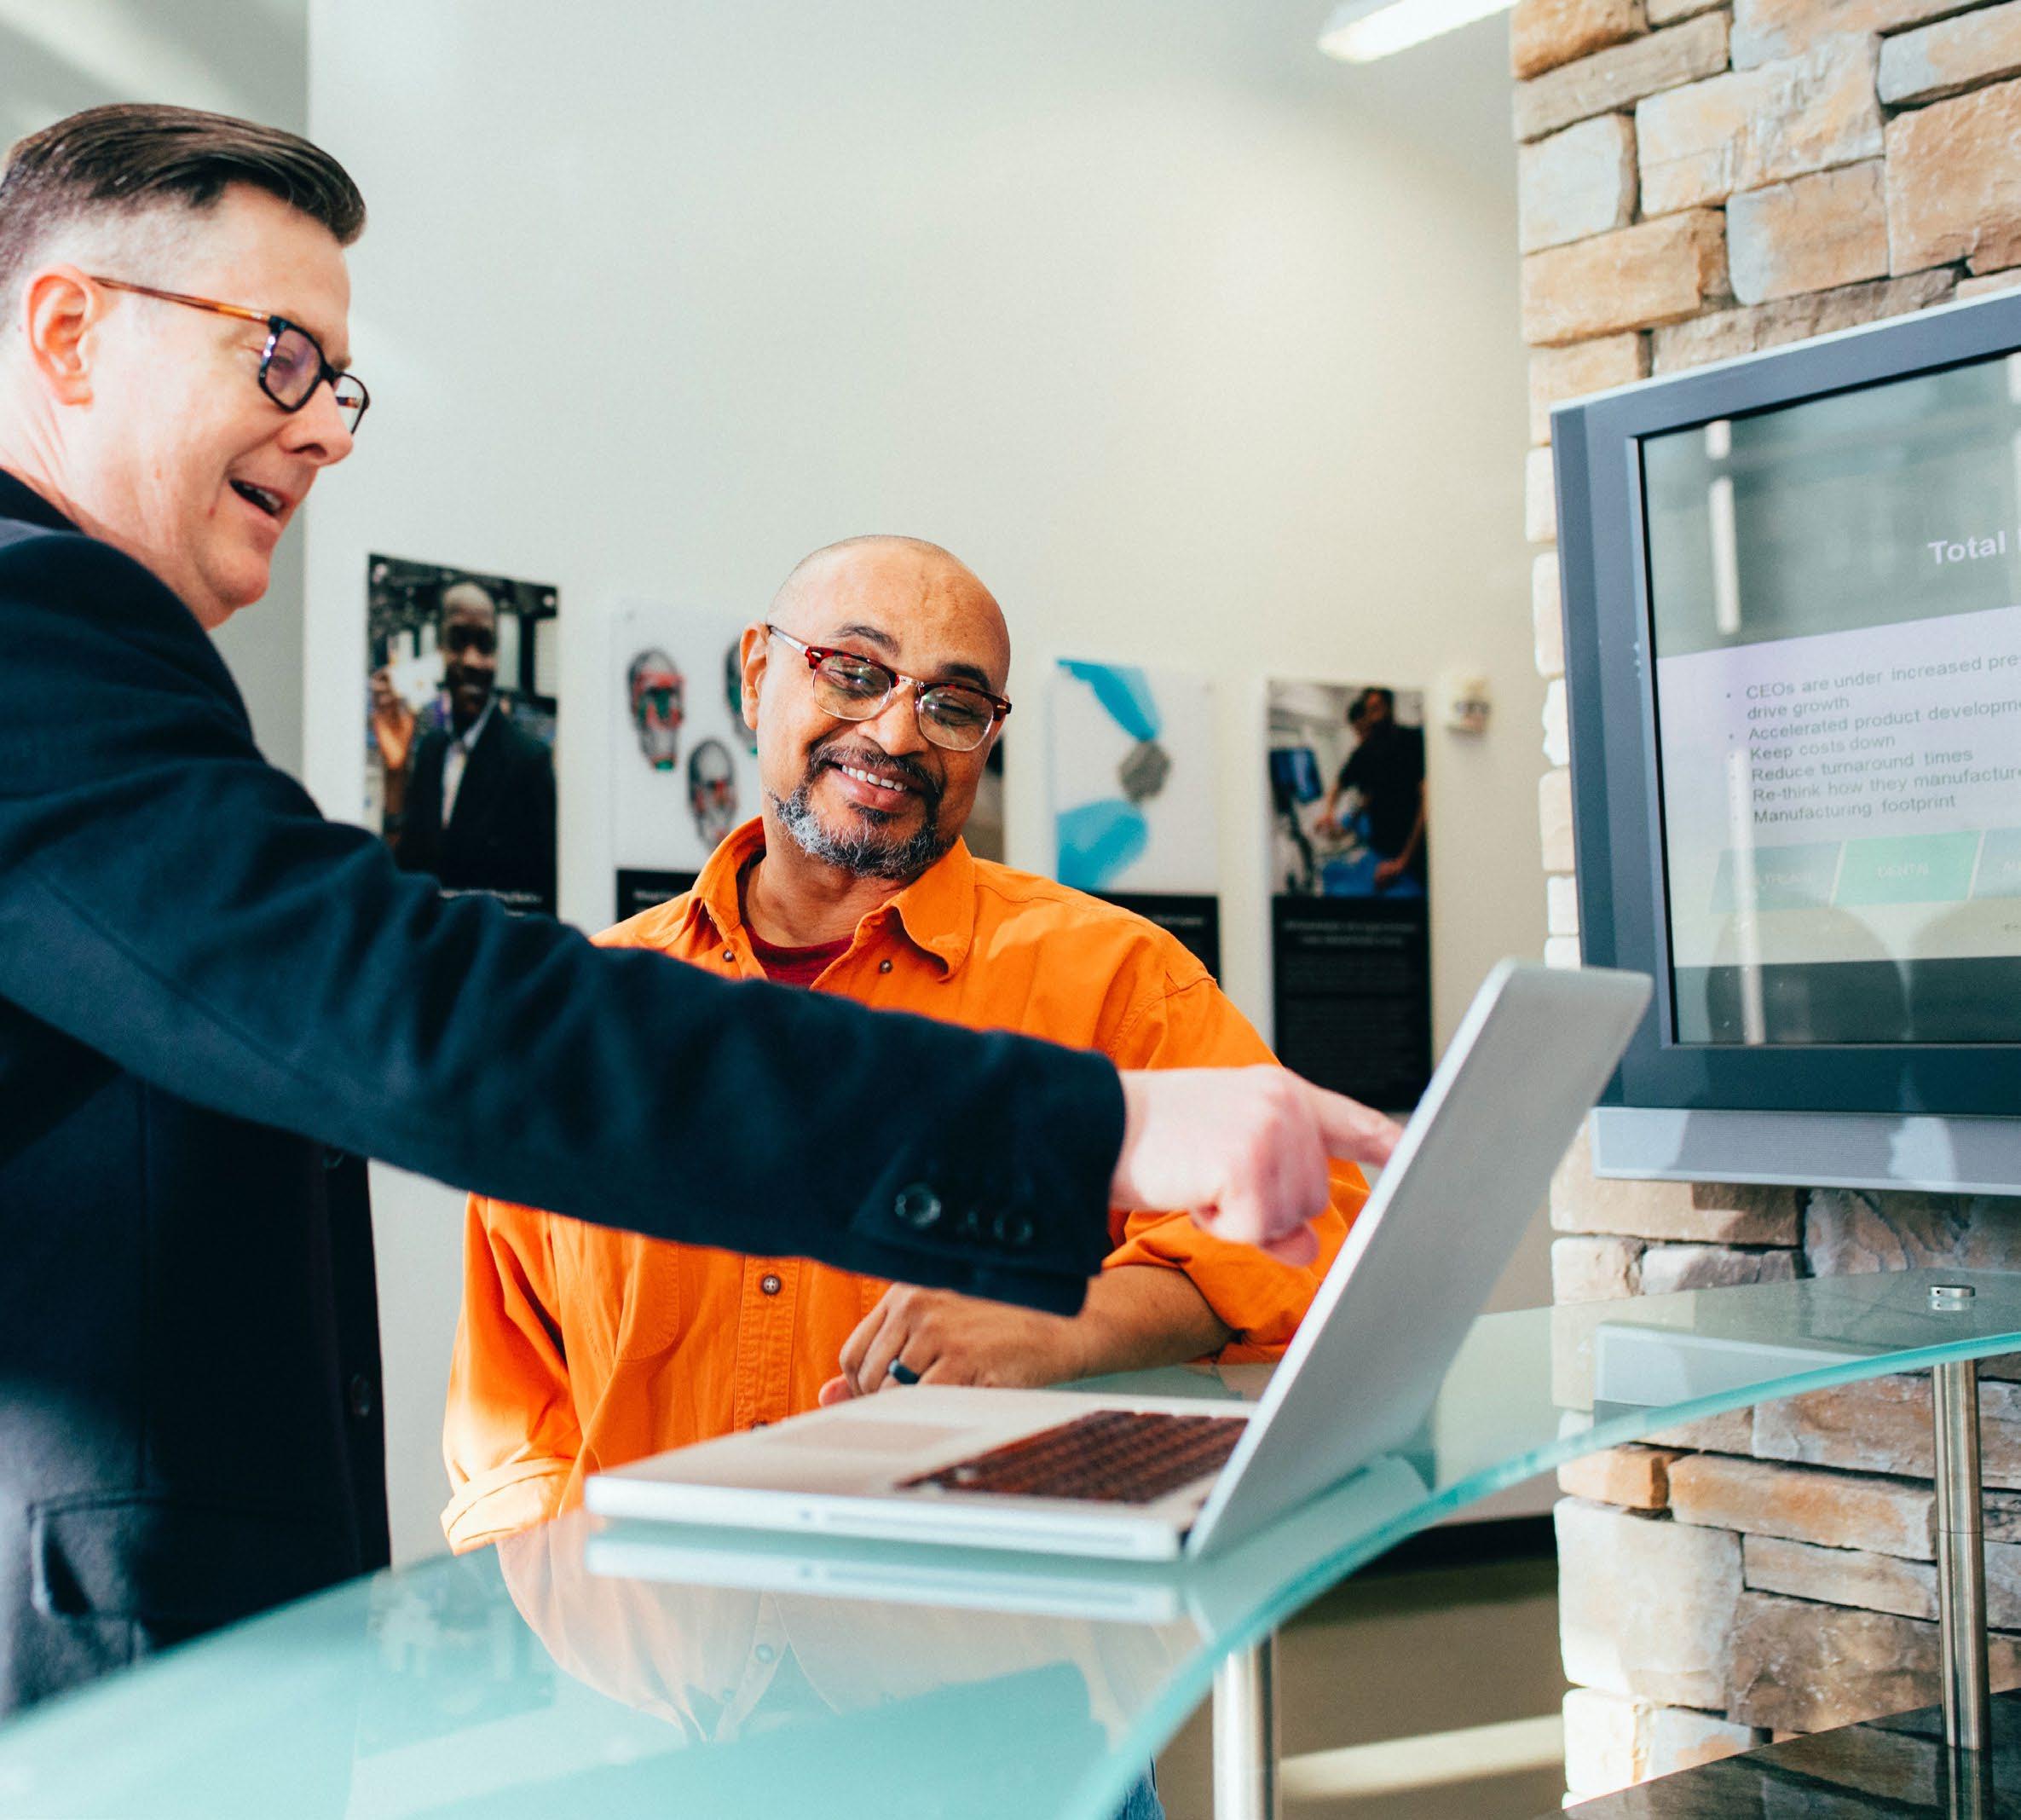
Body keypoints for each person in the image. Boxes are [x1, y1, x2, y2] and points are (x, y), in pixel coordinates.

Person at [0, 104, 1397, 1713]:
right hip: (466, 1690)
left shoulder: (1107, 968)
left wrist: (1069, 1317)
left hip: (984, 1699)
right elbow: (419, 1037)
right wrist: (1091, 1134)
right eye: (283, 356)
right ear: (69, 331)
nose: (328, 428)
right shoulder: (37, 622)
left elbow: (1306, 1252)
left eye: (339, 380)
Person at [442, 536, 1368, 1550]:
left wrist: (1063, 1320)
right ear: (755, 675)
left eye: (953, 705)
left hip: (974, 1627)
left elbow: (1315, 1229)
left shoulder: (1116, 978)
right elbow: (512, 1422)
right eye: (853, 670)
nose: (894, 732)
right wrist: (563, 1613)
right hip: (647, 1633)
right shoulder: (591, 1011)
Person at [370, 579, 559, 911]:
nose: (472, 660)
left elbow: (542, 900)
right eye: (458, 641)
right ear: (439, 648)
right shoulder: (430, 750)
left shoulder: (529, 762)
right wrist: (395, 773)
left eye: (485, 645)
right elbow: (405, 872)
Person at [1325, 686, 1428, 892]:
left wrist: (1403, 861)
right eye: (1358, 732)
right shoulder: (1364, 753)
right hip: (1381, 849)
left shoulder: (1412, 740)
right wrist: (1330, 813)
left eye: (1376, 709)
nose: (1362, 735)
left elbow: (1427, 801)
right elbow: (1348, 788)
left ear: (1389, 708)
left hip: (1413, 853)